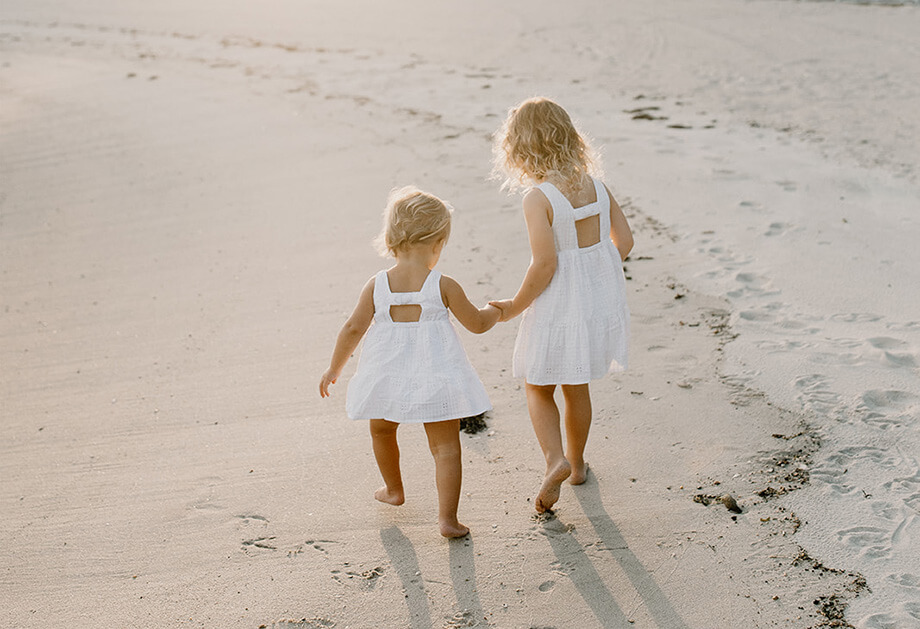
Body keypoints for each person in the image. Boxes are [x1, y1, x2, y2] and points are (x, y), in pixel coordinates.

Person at [319, 186, 500, 538]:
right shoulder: (442, 284)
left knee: (382, 430)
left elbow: (353, 328)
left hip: (387, 375)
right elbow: (476, 324)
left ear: (392, 239)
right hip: (435, 374)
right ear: (436, 242)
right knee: (445, 447)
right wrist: (496, 310)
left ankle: (394, 489)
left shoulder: (377, 285)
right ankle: (447, 519)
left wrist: (334, 368)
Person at [489, 97, 633, 513]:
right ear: (570, 136)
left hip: (556, 304)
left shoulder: (539, 198)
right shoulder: (597, 187)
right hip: (593, 304)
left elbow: (546, 263)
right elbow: (624, 242)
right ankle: (579, 464)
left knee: (538, 384)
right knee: (577, 385)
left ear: (519, 149)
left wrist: (514, 306)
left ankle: (555, 459)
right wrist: (596, 274)